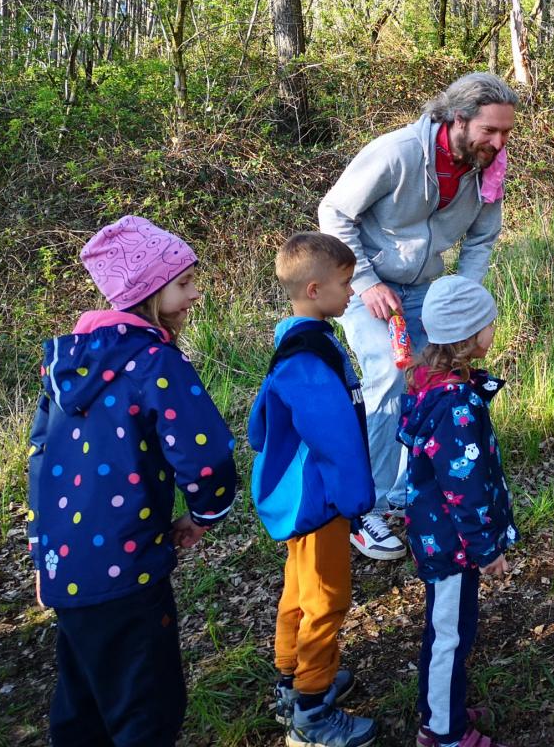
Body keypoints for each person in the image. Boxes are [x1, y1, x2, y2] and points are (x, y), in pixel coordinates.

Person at [27, 215, 238, 746]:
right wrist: (206, 512)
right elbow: (205, 453)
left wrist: (39, 551)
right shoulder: (154, 363)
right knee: (146, 707)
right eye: (184, 283)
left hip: (66, 566)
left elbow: (40, 460)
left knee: (82, 705)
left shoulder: (65, 366)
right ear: (148, 291)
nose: (195, 294)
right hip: (127, 569)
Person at [319, 72, 518, 561]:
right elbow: (335, 213)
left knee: (439, 377)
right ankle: (366, 507)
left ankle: (411, 489)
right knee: (390, 374)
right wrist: (365, 280)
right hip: (363, 285)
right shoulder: (398, 153)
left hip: (427, 288)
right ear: (458, 118)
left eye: (506, 132)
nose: (499, 143)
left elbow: (481, 239)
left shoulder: (488, 167)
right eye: (490, 130)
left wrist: (461, 301)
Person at [247, 233, 377, 747]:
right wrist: (356, 500)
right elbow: (336, 438)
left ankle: (291, 677)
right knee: (326, 600)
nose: (352, 292)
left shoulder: (292, 342)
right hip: (320, 499)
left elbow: (259, 426)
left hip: (301, 496)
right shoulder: (311, 357)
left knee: (298, 592)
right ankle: (312, 709)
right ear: (315, 289)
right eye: (346, 283)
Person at [399, 275, 517, 747]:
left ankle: (441, 705)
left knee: (453, 628)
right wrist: (487, 549)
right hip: (453, 543)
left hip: (445, 536)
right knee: (449, 635)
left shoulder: (436, 385)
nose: (494, 329)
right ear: (469, 335)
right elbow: (463, 488)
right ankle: (442, 732)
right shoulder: (454, 407)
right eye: (489, 322)